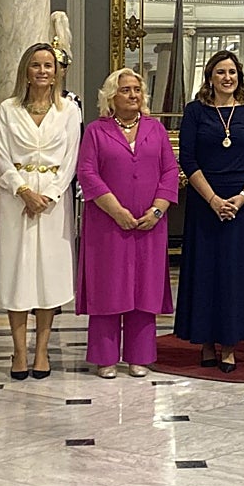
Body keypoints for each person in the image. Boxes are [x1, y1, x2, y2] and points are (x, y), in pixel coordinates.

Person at [76, 68, 179, 379]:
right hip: (107, 225)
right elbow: (87, 173)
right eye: (126, 90)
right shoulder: (96, 130)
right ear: (111, 96)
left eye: (137, 89)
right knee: (108, 287)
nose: (133, 95)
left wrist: (158, 210)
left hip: (150, 223)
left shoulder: (156, 129)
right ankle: (105, 356)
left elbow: (170, 171)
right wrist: (117, 210)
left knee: (144, 289)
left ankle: (140, 356)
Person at [0, 42, 82, 380]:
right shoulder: (8, 108)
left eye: (48, 65)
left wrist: (51, 195)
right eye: (36, 65)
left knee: (48, 277)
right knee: (18, 274)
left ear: (57, 72)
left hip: (53, 204)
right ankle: (19, 351)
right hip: (16, 201)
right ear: (25, 71)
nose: (43, 71)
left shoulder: (69, 110)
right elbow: (0, 156)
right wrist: (23, 190)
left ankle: (42, 350)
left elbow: (71, 158)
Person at [174, 50, 244, 373]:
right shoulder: (196, 112)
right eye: (220, 72)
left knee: (234, 275)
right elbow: (188, 158)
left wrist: (241, 198)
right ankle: (205, 342)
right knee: (206, 273)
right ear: (210, 78)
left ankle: (229, 344)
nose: (227, 78)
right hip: (205, 204)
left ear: (239, 77)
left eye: (232, 72)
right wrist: (213, 200)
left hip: (241, 206)